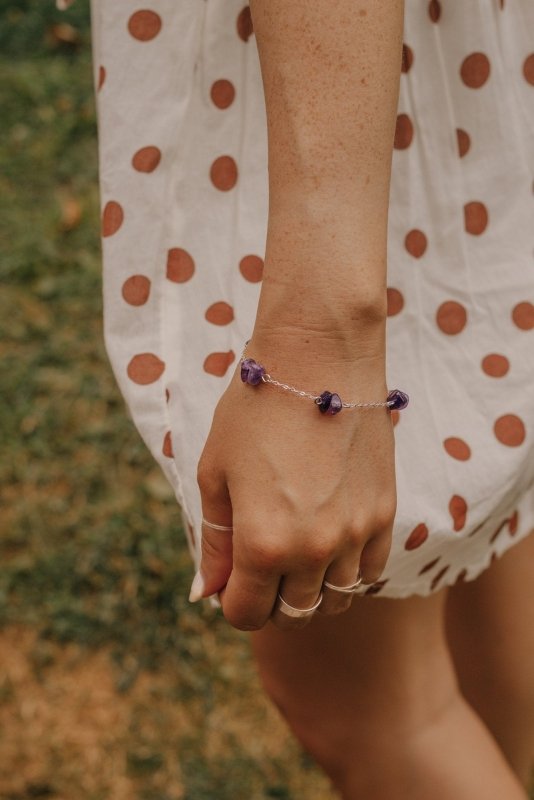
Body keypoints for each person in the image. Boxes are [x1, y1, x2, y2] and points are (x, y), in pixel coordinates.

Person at [90, 0, 534, 796]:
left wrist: (318, 339)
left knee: (372, 708)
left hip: (330, 93)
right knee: (480, 539)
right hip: (455, 59)